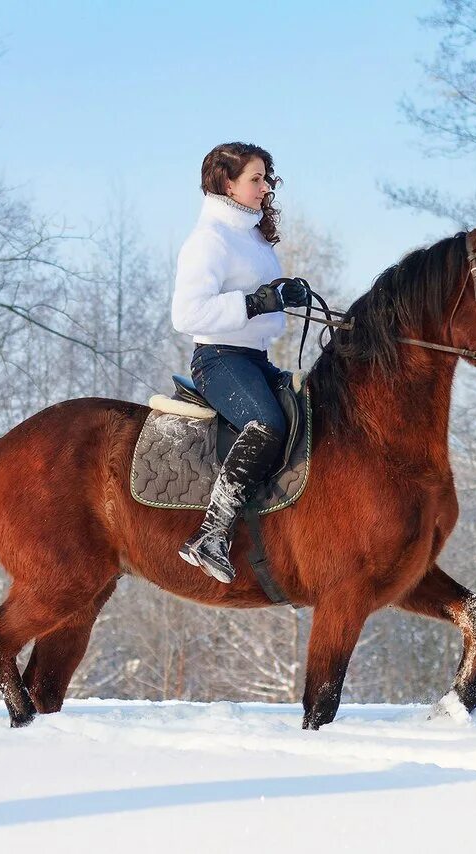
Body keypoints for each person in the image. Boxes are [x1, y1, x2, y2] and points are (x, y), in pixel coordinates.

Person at [170, 142, 308, 583]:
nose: (266, 188)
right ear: (227, 183)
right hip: (218, 359)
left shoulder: (250, 238)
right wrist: (254, 302)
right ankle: (210, 535)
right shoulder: (209, 239)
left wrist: (283, 298)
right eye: (256, 178)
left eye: (267, 178)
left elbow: (259, 303)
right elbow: (186, 314)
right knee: (266, 425)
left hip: (255, 358)